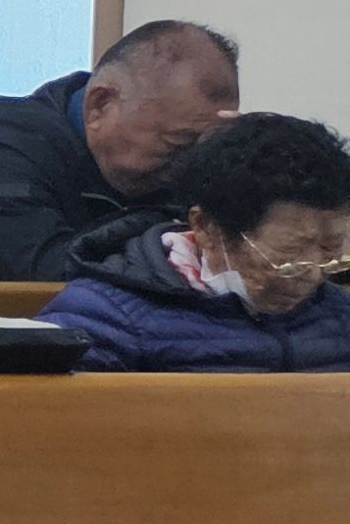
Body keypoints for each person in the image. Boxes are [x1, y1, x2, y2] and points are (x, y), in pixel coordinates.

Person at [0, 19, 241, 281]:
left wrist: (240, 163)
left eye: (203, 145)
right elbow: (53, 281)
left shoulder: (159, 163)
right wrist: (167, 225)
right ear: (100, 105)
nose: (189, 165)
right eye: (178, 144)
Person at [46, 110, 350, 372]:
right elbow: (49, 411)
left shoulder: (339, 314)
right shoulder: (107, 316)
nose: (313, 274)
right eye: (289, 253)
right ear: (205, 227)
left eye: (331, 249)